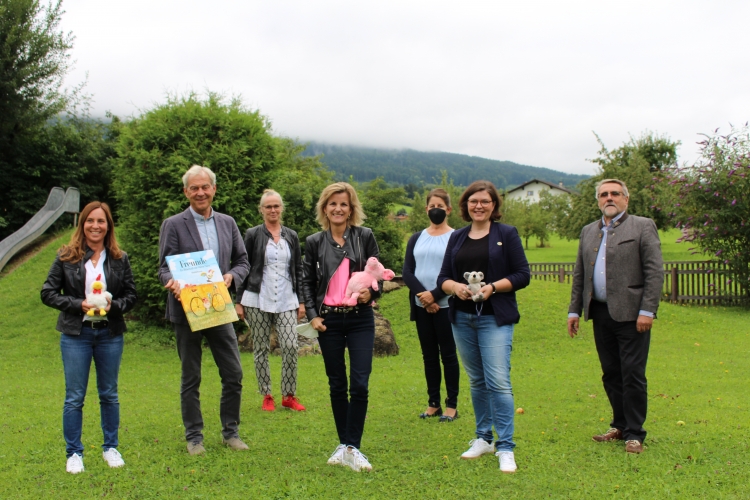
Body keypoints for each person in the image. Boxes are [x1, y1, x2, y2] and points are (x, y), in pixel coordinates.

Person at [437, 180, 530, 474]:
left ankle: (505, 446)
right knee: (477, 381)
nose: (479, 205)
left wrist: (492, 287)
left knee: (499, 382)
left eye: (485, 201)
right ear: (465, 205)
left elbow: (522, 274)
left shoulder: (506, 234)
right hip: (462, 317)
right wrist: (456, 288)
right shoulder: (457, 237)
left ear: (494, 205)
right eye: (473, 201)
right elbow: (443, 278)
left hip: (494, 317)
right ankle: (483, 438)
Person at [158, 165, 250, 455]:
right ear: (186, 192)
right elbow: (163, 267)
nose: (200, 192)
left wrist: (231, 277)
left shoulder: (227, 223)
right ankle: (194, 437)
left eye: (205, 187)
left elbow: (242, 261)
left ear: (213, 189)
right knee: (191, 376)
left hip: (219, 309)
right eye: (194, 188)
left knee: (233, 373)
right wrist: (171, 282)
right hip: (188, 311)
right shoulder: (173, 224)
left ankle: (230, 433)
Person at [567, 178, 663, 454]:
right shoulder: (588, 231)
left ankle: (635, 433)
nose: (609, 198)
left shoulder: (642, 226)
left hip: (633, 315)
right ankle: (619, 425)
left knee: (632, 373)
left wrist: (647, 310)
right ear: (598, 200)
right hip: (599, 312)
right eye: (604, 194)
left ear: (625, 199)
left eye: (615, 194)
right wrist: (574, 310)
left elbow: (654, 272)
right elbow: (580, 275)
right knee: (611, 372)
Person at [41, 201, 137, 474]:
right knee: (74, 396)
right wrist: (77, 304)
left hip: (109, 334)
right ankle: (74, 453)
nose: (96, 226)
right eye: (90, 221)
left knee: (109, 394)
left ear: (108, 226)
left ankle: (111, 448)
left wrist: (113, 306)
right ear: (82, 224)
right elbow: (48, 292)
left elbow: (131, 296)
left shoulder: (119, 258)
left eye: (101, 221)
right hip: (76, 334)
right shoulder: (66, 255)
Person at [301, 182, 381, 472]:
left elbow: (379, 276)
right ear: (325, 208)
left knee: (359, 384)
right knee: (337, 384)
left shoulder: (365, 237)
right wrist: (313, 315)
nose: (337, 208)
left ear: (351, 209)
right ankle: (345, 443)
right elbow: (307, 282)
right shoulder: (314, 242)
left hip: (360, 319)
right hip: (328, 322)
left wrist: (371, 293)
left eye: (343, 204)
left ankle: (352, 447)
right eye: (332, 203)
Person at [234, 189, 306, 412]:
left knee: (290, 346)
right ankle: (267, 394)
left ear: (281, 208)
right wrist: (238, 301)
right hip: (257, 298)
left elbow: (298, 268)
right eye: (268, 207)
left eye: (276, 206)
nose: (273, 210)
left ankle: (288, 395)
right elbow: (243, 266)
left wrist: (301, 301)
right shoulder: (253, 234)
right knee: (261, 348)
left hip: (286, 297)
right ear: (262, 210)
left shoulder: (291, 235)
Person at [402, 188, 460, 422]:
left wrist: (434, 296)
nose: (435, 210)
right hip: (421, 306)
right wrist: (423, 298)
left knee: (448, 355)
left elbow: (456, 272)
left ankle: (452, 405)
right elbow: (407, 271)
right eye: (431, 206)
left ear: (448, 209)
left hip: (447, 304)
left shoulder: (456, 237)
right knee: (428, 356)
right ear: (426, 209)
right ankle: (433, 402)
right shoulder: (417, 238)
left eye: (440, 206)